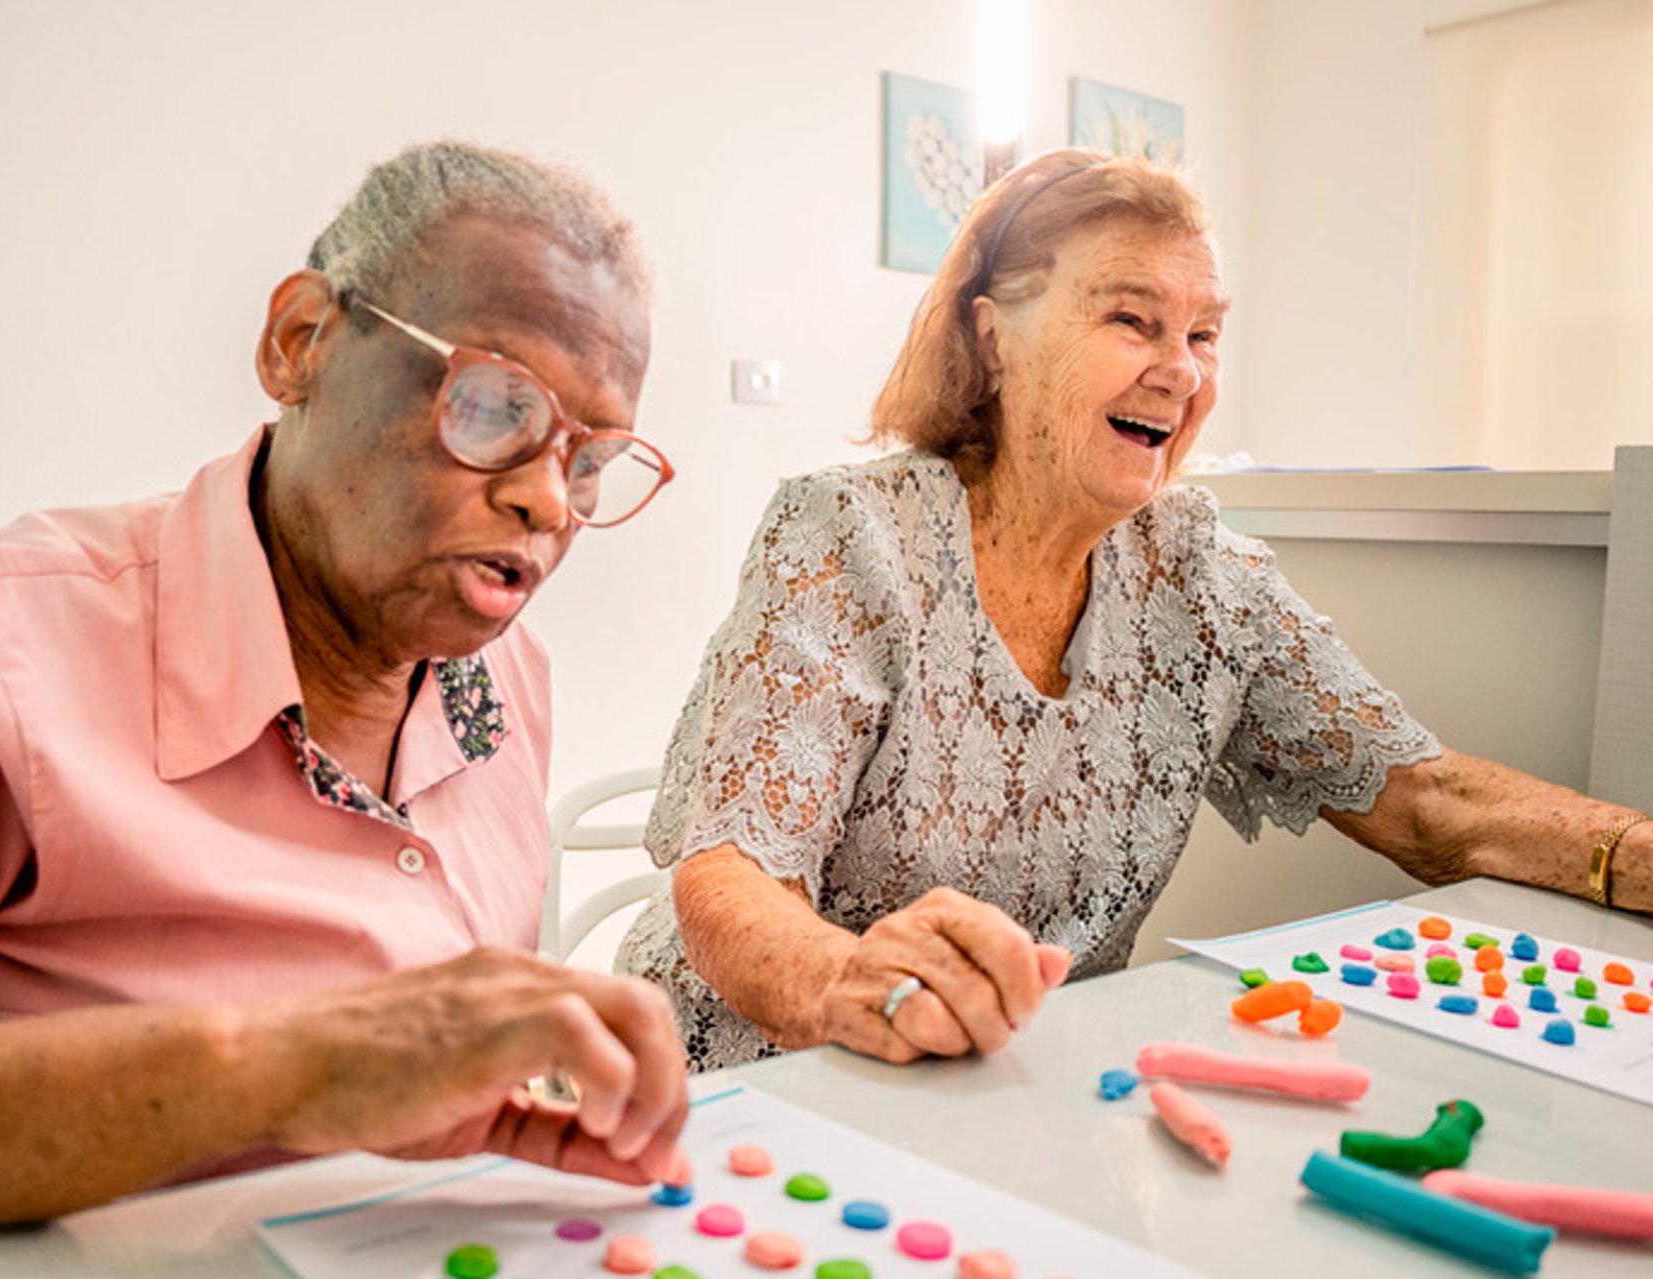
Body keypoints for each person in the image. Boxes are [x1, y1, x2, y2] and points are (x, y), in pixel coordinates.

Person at [0, 140, 689, 1263]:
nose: (544, 500)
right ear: (301, 343)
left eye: (590, 460)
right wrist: (276, 1070)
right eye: (492, 404)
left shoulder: (503, 685)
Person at [616, 147, 1652, 1074]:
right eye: (1130, 318)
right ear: (994, 338)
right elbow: (731, 885)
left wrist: (1629, 850)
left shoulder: (1204, 575)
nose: (1183, 370)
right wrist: (865, 988)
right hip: (752, 1082)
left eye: (1203, 333)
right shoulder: (850, 532)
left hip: (1002, 1090)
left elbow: (1427, 804)